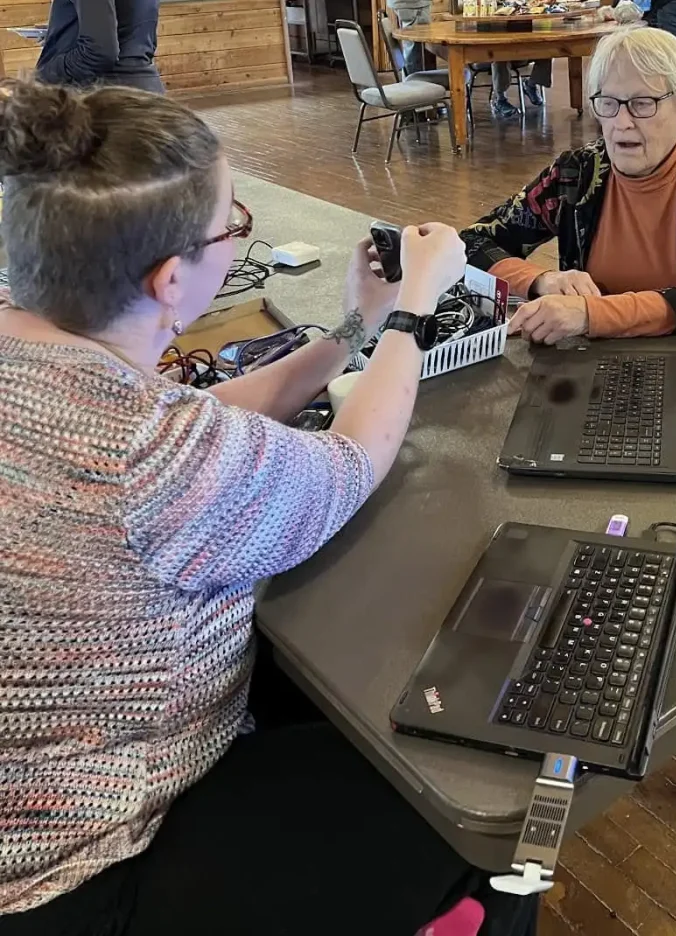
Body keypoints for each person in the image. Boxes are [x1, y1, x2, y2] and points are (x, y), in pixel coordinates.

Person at [0, 79, 537, 936]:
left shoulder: (39, 352)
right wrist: (411, 312)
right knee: (486, 802)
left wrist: (348, 333)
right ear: (172, 277)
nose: (238, 233)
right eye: (231, 224)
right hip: (86, 880)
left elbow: (207, 422)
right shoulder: (150, 451)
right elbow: (355, 457)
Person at [461, 26, 676, 347]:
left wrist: (590, 314)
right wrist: (542, 280)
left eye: (642, 103)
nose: (621, 123)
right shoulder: (576, 173)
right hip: (596, 364)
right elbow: (471, 244)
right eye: (608, 102)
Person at [36, 0, 163, 93]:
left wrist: (46, 73)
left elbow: (99, 51)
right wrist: (63, 35)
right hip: (144, 91)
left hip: (106, 100)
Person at [388, 0, 433, 75]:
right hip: (414, 5)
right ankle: (414, 84)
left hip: (408, 4)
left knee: (410, 46)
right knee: (416, 49)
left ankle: (410, 82)